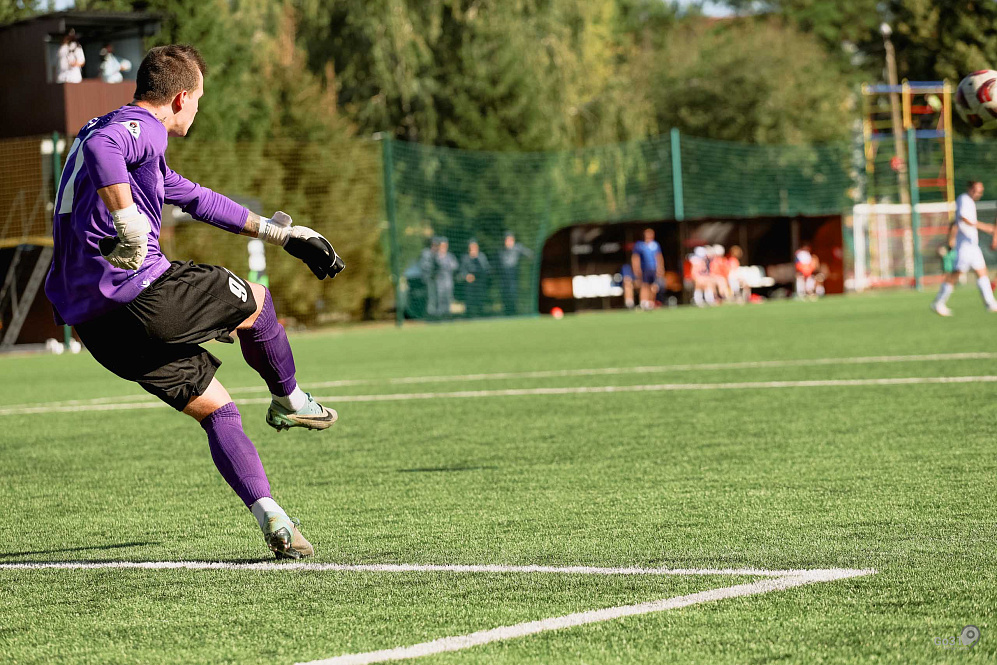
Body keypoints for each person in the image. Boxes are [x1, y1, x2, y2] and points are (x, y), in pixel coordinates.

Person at [44, 45, 345, 560]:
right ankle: (291, 400)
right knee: (258, 301)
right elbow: (104, 148)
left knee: (217, 409)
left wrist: (283, 235)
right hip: (143, 293)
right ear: (181, 98)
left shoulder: (132, 146)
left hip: (97, 327)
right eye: (199, 100)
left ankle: (273, 517)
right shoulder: (142, 127)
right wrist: (129, 225)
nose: (198, 110)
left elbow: (198, 199)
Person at [931, 181, 997, 316]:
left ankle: (990, 303)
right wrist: (986, 227)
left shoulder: (970, 202)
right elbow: (963, 219)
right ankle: (939, 302)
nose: (978, 194)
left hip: (973, 245)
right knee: (956, 274)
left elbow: (956, 222)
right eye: (976, 190)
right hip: (964, 246)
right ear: (970, 189)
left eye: (980, 191)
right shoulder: (964, 199)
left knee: (982, 272)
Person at [498, 232, 533, 316]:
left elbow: (529, 253)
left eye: (510, 240)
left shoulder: (517, 248)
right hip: (504, 276)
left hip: (513, 275)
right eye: (506, 240)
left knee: (513, 293)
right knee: (505, 294)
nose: (508, 242)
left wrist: (532, 257)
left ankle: (513, 311)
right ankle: (506, 311)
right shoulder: (501, 250)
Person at [631, 228, 664, 310]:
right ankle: (643, 302)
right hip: (644, 268)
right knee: (644, 285)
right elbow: (635, 257)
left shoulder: (655, 245)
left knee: (654, 286)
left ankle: (651, 302)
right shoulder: (640, 245)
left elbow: (659, 256)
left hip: (653, 268)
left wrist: (660, 267)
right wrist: (636, 268)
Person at [459, 239, 490, 318]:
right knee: (469, 300)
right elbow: (461, 270)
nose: (472, 249)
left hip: (480, 282)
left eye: (474, 247)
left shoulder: (482, 257)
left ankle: (481, 314)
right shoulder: (465, 257)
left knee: (480, 299)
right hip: (469, 283)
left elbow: (486, 269)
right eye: (471, 247)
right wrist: (466, 276)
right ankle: (469, 315)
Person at [433, 236, 458, 318]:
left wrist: (445, 265)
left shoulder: (450, 256)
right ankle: (439, 316)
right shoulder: (435, 256)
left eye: (445, 246)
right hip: (438, 282)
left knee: (448, 299)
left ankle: (447, 315)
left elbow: (454, 266)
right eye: (441, 246)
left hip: (448, 282)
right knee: (439, 299)